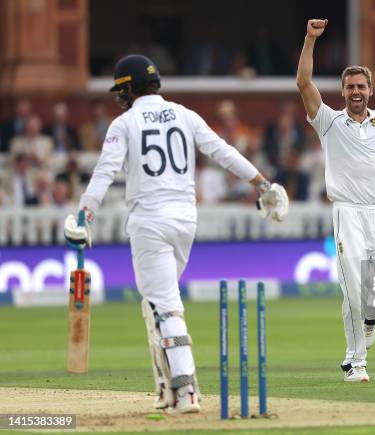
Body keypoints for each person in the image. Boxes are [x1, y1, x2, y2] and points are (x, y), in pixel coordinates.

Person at [63, 54, 289, 414]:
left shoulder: (124, 123)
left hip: (150, 221)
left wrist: (83, 215)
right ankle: (165, 390)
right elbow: (223, 152)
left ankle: (186, 391)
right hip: (186, 220)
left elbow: (104, 172)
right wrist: (263, 184)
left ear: (130, 88)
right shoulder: (185, 114)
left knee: (165, 305)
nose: (119, 98)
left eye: (121, 91)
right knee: (154, 304)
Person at [296, 19, 375, 382]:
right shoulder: (328, 122)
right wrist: (310, 39)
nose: (356, 91)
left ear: (370, 90)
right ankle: (356, 362)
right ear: (342, 92)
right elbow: (304, 83)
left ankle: (372, 318)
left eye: (361, 86)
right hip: (347, 214)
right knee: (352, 289)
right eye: (350, 86)